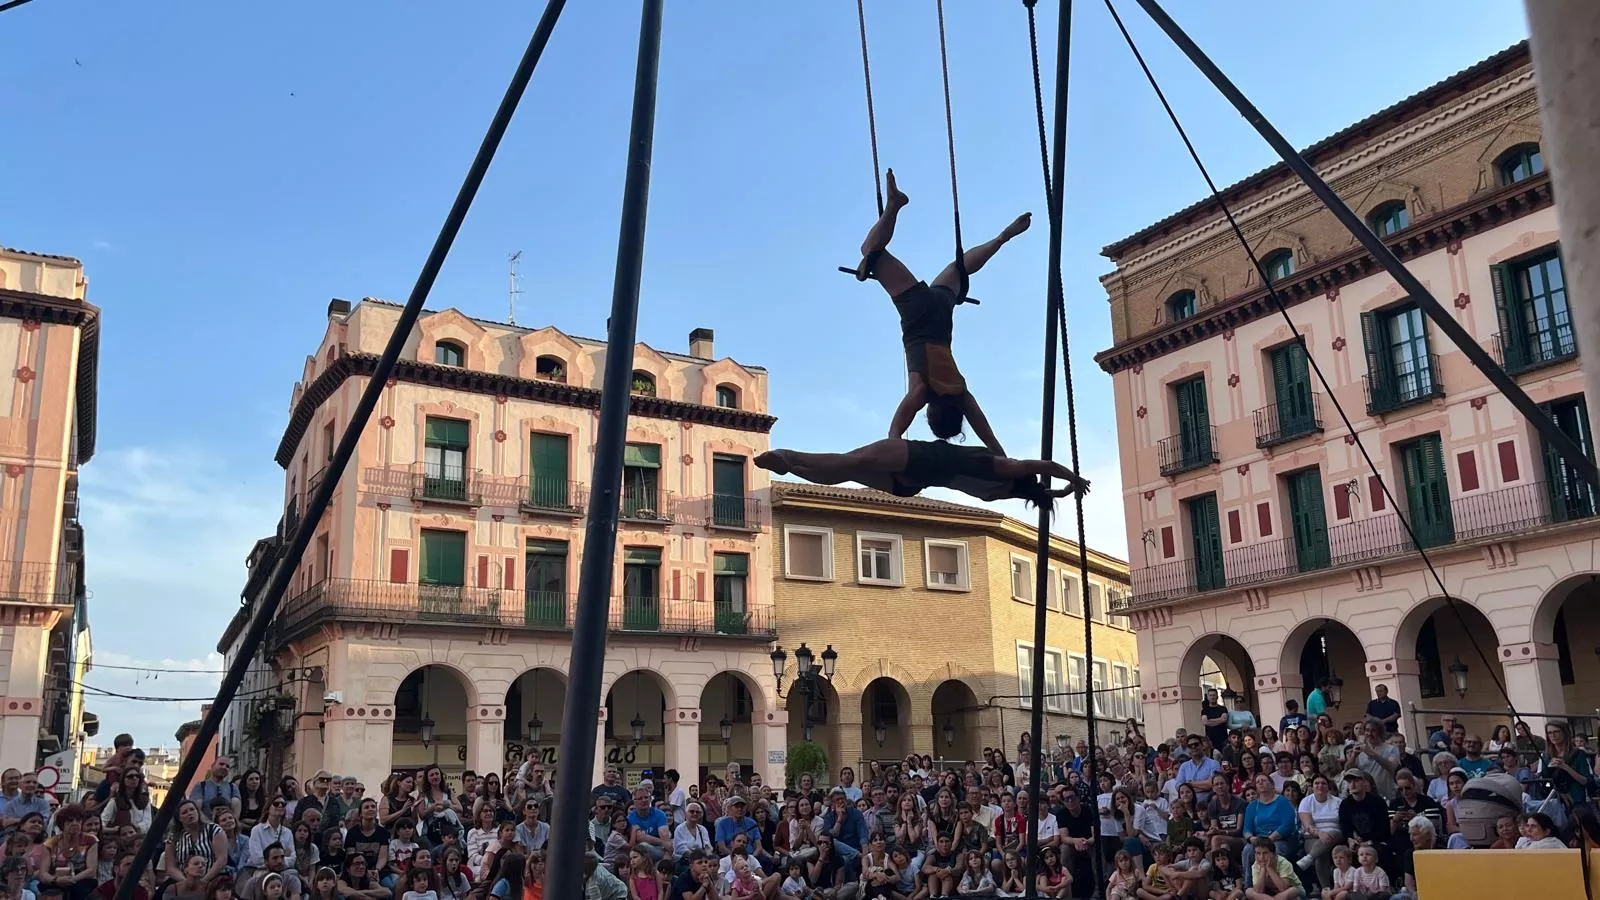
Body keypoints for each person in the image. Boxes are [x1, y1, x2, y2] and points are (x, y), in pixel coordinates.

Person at [853, 169, 1030, 451]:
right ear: (933, 414)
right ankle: (894, 206)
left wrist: (1002, 456)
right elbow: (897, 428)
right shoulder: (923, 390)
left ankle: (1002, 238)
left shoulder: (962, 393)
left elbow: (987, 432)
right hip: (918, 313)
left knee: (958, 268)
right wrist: (894, 451)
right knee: (870, 250)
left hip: (941, 309)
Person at [755, 439, 1085, 506]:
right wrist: (1063, 490)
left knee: (850, 460)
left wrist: (1073, 479)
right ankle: (793, 468)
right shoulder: (1003, 492)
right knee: (848, 472)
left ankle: (791, 456)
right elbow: (1044, 487)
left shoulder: (1003, 468)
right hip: (912, 484)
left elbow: (1044, 466)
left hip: (918, 458)